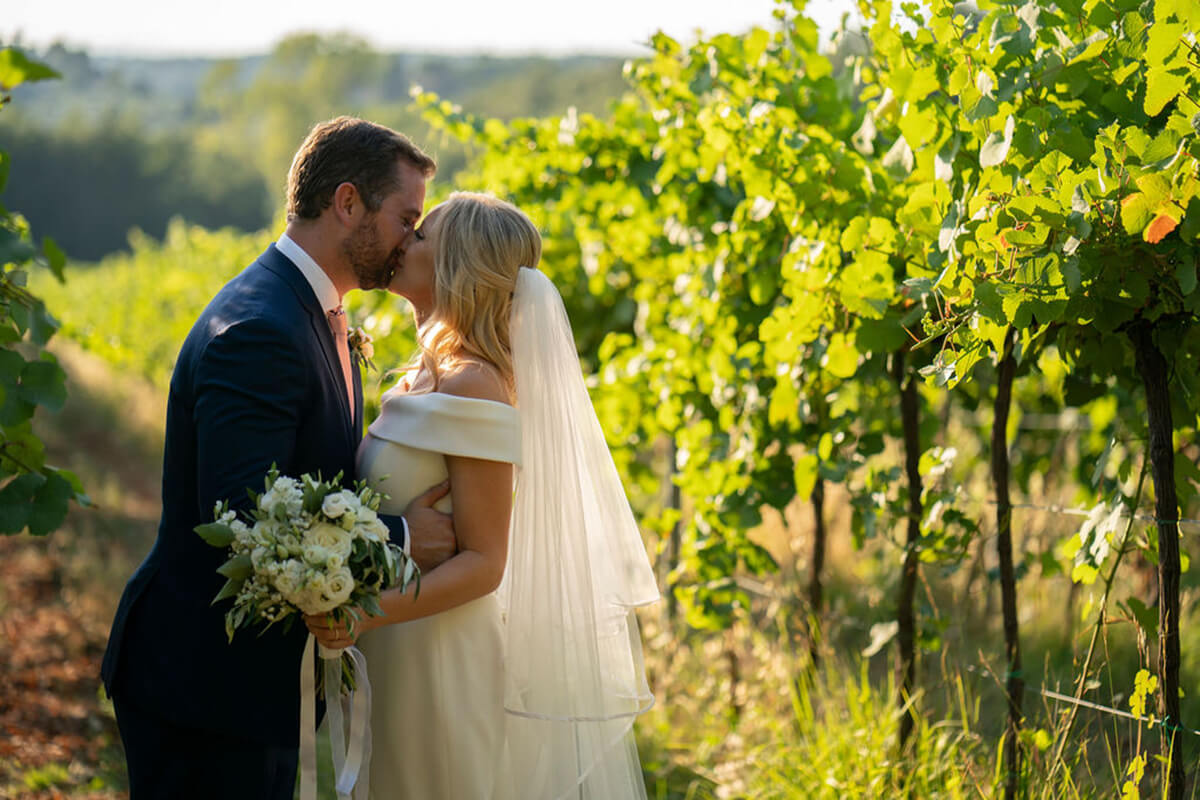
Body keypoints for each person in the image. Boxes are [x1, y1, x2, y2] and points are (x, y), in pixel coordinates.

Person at [100, 117, 459, 800]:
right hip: (203, 688)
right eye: (406, 219)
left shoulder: (311, 311)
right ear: (347, 203)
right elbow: (245, 516)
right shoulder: (262, 328)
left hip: (246, 688)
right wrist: (406, 536)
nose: (412, 240)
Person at [306, 192, 661, 799]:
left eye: (421, 236)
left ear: (456, 266)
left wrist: (362, 614)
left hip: (441, 658)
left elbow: (485, 563)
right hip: (399, 648)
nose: (404, 242)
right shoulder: (424, 372)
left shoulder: (476, 384)